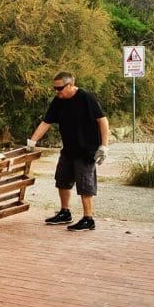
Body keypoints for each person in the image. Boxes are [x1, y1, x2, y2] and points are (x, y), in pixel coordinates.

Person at [26, 72, 109, 232]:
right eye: (55, 88)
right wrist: (33, 141)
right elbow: (46, 122)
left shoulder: (86, 98)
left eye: (60, 88)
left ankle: (88, 219)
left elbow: (102, 120)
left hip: (86, 149)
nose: (57, 91)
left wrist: (104, 146)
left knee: (85, 184)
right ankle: (65, 212)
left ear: (70, 85)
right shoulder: (58, 101)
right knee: (62, 180)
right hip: (68, 149)